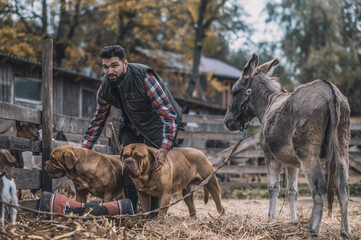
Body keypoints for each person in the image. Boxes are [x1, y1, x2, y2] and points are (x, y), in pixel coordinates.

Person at [82, 45, 182, 216]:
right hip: (130, 126)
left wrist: (164, 148)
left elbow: (169, 115)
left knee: (154, 168)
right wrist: (84, 150)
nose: (109, 71)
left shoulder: (144, 78)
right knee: (129, 168)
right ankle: (131, 212)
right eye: (105, 67)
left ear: (125, 63)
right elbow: (99, 118)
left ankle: (153, 216)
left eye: (114, 65)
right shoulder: (105, 86)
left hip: (156, 126)